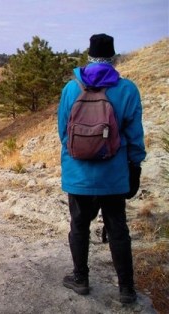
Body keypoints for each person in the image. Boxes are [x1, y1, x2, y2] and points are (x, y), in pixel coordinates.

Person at [57, 34, 146, 304]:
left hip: (79, 175)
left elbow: (63, 132)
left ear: (89, 56)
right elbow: (135, 135)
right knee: (118, 229)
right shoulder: (127, 89)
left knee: (79, 226)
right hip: (114, 175)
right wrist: (135, 166)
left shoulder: (71, 89)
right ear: (113, 58)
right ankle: (127, 289)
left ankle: (81, 279)